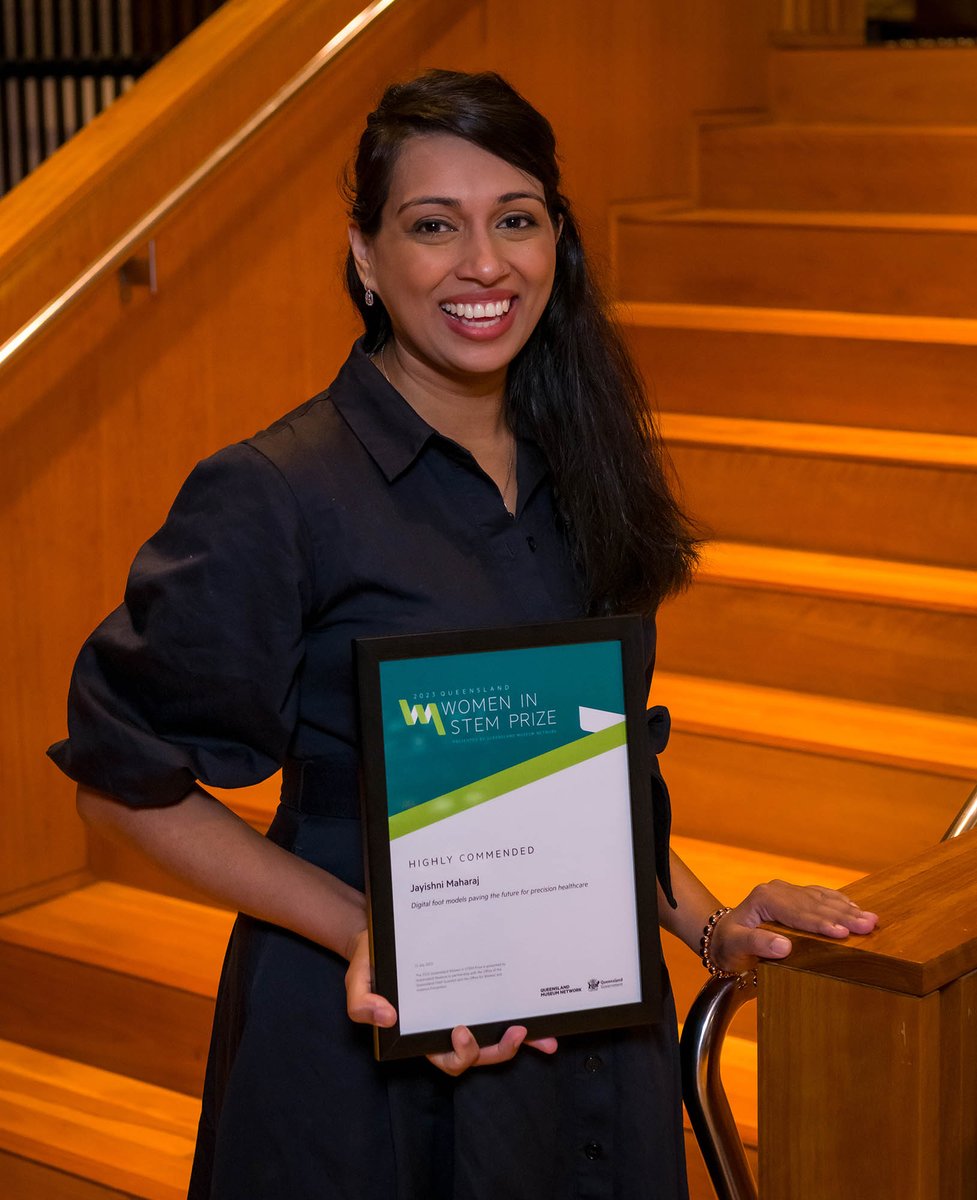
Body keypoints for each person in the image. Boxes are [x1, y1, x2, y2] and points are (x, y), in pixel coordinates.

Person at [48, 70, 877, 1200]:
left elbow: (579, 777)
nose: (483, 265)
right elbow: (120, 783)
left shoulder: (584, 467)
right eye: (433, 226)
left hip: (591, 1039)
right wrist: (369, 931)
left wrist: (709, 926)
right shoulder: (274, 492)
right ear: (365, 256)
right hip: (367, 1049)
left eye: (515, 221)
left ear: (555, 244)